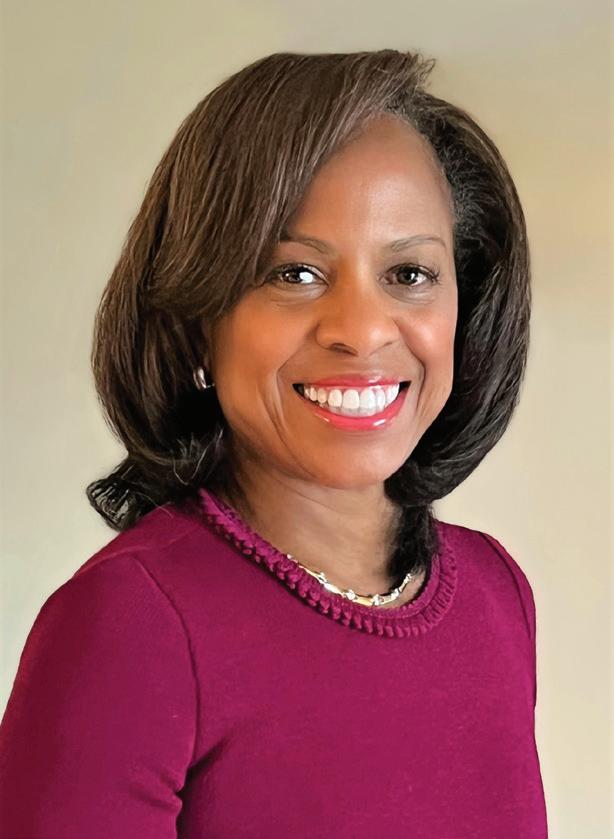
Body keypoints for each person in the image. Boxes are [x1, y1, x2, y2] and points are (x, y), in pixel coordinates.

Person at [0, 49, 548, 837]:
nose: (361, 331)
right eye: (294, 274)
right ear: (198, 318)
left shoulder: (497, 596)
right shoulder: (129, 626)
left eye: (408, 273)